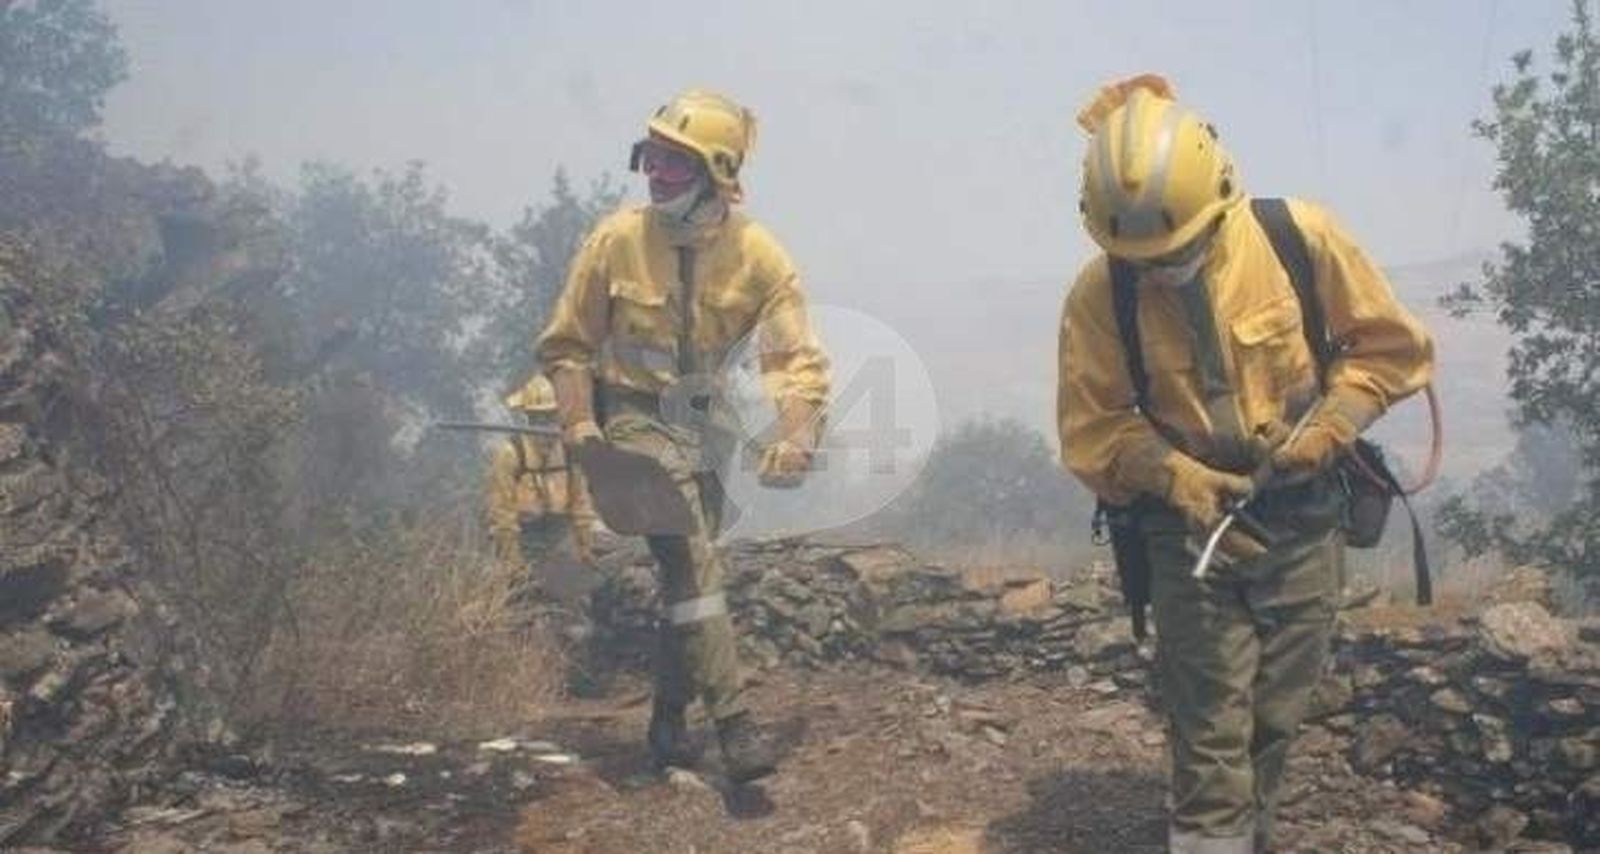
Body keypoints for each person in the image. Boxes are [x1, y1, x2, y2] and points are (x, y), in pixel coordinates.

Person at [1057, 74, 1434, 853]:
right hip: (1187, 530)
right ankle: (1209, 832)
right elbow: (1090, 428)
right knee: (1207, 726)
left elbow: (1392, 350)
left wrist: (1334, 422)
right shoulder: (1102, 295)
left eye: (1183, 248)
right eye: (1145, 259)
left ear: (1221, 200)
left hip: (1303, 518)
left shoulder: (1297, 239)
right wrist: (1175, 477)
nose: (1164, 269)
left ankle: (1246, 831)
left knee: (1276, 713)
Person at [536, 89, 830, 783]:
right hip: (633, 423)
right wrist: (579, 419)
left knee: (683, 575)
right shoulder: (614, 240)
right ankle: (734, 724)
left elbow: (795, 362)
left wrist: (797, 435)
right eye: (652, 158)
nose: (655, 174)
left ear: (717, 172)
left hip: (710, 430)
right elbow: (566, 346)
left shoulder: (761, 257)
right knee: (692, 556)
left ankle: (668, 727)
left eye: (674, 162)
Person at [484, 374, 597, 588]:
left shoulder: (569, 450)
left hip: (560, 532)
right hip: (524, 536)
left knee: (578, 585)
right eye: (539, 419)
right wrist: (513, 563)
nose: (546, 427)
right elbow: (501, 515)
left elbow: (581, 504)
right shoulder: (510, 453)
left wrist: (585, 547)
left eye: (551, 418)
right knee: (522, 591)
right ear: (528, 418)